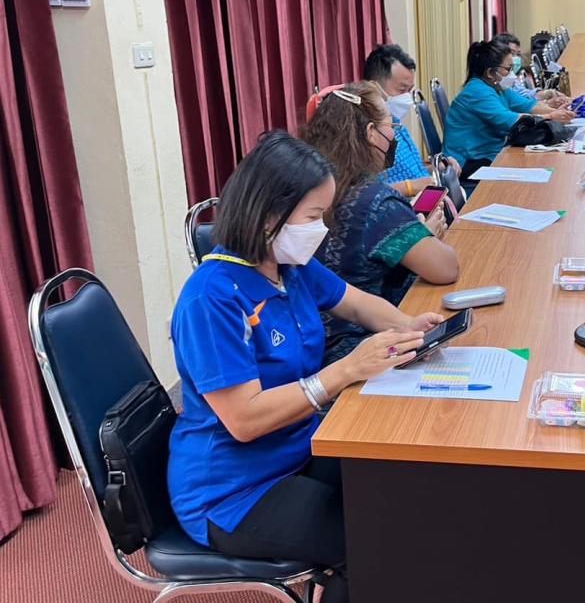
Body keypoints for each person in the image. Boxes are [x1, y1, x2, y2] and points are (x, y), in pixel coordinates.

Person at [168, 131, 442, 603]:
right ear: (268, 215)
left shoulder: (288, 266)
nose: (321, 229)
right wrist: (345, 371)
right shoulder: (211, 298)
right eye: (313, 217)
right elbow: (245, 420)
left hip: (297, 449)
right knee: (374, 544)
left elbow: (356, 304)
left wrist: (410, 328)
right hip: (233, 492)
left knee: (402, 489)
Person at [301, 82, 460, 363]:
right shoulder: (375, 201)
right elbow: (446, 269)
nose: (395, 133)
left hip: (314, 345)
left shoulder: (313, 186)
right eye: (391, 125)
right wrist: (426, 236)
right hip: (360, 349)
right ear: (370, 133)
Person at [444, 39, 576, 180]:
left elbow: (529, 106)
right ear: (490, 72)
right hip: (468, 162)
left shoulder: (498, 87)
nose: (512, 74)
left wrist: (558, 110)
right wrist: (551, 116)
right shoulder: (477, 92)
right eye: (508, 69)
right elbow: (512, 121)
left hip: (492, 153)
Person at [351, 43, 461, 197]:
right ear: (374, 86)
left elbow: (410, 170)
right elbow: (361, 194)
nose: (407, 97)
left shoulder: (395, 119)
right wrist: (409, 187)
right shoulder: (362, 132)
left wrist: (438, 168)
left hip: (425, 197)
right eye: (402, 90)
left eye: (410, 90)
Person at [494, 33, 571, 107]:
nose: (515, 58)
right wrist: (546, 104)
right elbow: (512, 107)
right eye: (512, 53)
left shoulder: (510, 77)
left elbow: (523, 94)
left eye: (518, 54)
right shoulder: (493, 81)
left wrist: (544, 94)